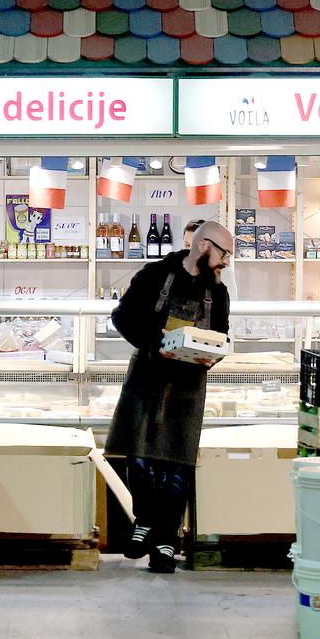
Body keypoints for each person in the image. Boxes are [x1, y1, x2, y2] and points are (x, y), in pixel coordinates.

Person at [107, 219, 233, 573]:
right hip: (147, 375)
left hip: (188, 384)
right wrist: (154, 343)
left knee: (178, 464)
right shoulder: (154, 275)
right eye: (224, 254)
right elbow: (121, 317)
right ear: (205, 245)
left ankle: (165, 539)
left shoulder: (218, 292)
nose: (227, 262)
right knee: (141, 457)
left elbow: (221, 333)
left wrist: (212, 353)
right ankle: (145, 522)